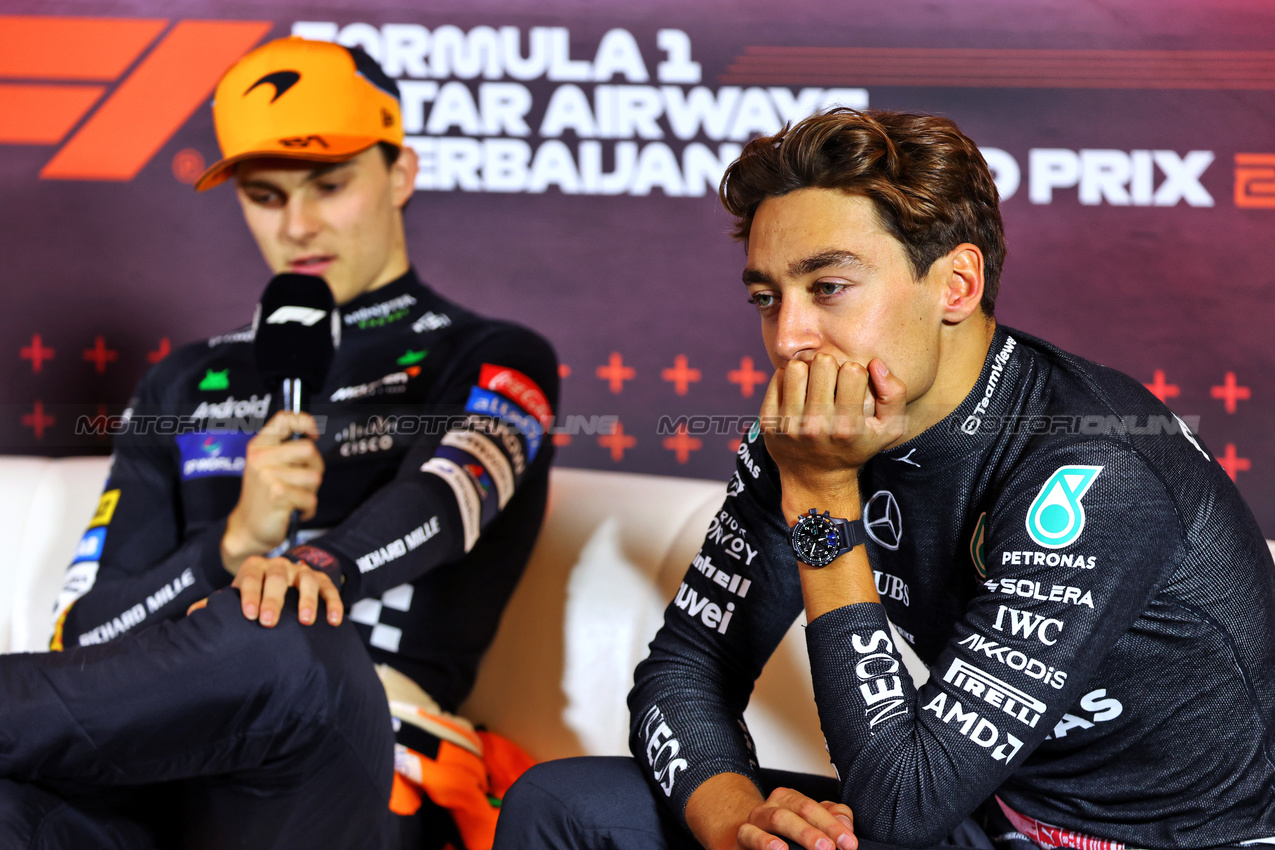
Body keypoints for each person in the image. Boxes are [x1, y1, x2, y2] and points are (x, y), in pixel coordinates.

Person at [493, 108, 1275, 850]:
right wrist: (734, 821)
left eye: (827, 287)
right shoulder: (817, 433)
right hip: (990, 820)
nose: (788, 337)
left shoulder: (1091, 465)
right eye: (767, 297)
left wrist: (823, 499)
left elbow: (902, 805)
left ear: (956, 286)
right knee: (561, 805)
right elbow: (685, 668)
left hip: (1174, 840)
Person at [15, 36, 557, 848]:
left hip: (356, 768)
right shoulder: (182, 382)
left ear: (399, 175)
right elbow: (83, 637)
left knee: (289, 640)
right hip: (155, 774)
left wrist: (305, 567)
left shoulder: (492, 356)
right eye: (265, 197)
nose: (298, 225)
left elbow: (445, 499)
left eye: (329, 186)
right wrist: (232, 547)